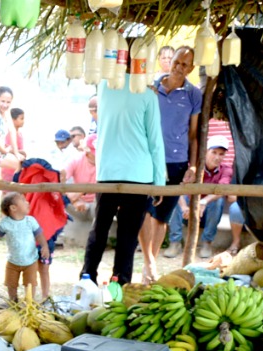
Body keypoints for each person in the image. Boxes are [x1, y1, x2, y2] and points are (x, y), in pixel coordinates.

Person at [79, 81, 166, 285]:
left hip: (108, 171)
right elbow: (155, 140)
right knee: (127, 234)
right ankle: (120, 282)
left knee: (99, 229)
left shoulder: (104, 87)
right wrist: (159, 182)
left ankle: (87, 278)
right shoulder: (148, 94)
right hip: (139, 174)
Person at [140, 45, 201, 282]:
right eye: (176, 62)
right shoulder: (151, 87)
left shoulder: (193, 94)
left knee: (161, 217)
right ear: (169, 61)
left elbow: (193, 135)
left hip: (177, 161)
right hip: (147, 159)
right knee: (144, 211)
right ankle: (149, 262)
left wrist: (193, 166)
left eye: (185, 65)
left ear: (191, 68)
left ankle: (149, 271)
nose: (178, 67)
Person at [173, 137, 235, 258]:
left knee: (218, 202)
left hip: (207, 213)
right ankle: (175, 242)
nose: (217, 157)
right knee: (176, 200)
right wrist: (185, 207)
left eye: (221, 154)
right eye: (214, 152)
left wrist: (204, 202)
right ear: (205, 152)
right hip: (187, 212)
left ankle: (206, 242)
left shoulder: (226, 170)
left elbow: (222, 190)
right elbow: (179, 188)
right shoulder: (192, 168)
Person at [0, 193, 48, 301]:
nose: (27, 202)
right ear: (13, 208)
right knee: (11, 284)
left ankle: (30, 302)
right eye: (23, 200)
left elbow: (39, 234)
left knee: (30, 284)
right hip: (13, 261)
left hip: (30, 260)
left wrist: (44, 246)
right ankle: (13, 301)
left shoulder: (30, 221)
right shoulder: (6, 223)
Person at [65, 138, 97, 216]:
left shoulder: (108, 163)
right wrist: (75, 200)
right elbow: (61, 181)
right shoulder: (75, 160)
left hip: (100, 201)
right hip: (79, 199)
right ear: (87, 152)